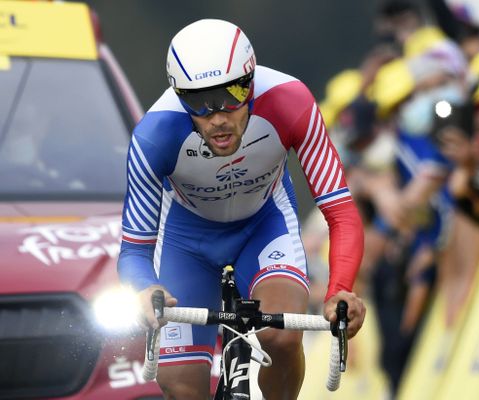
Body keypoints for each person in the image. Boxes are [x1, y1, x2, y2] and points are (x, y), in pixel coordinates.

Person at [116, 19, 366, 400]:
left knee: (281, 340)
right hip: (188, 243)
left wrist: (341, 289)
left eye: (230, 95)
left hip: (263, 226)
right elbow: (134, 249)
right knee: (182, 386)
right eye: (198, 101)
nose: (217, 116)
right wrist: (144, 287)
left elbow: (341, 211)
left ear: (250, 82)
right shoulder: (155, 135)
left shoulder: (290, 101)